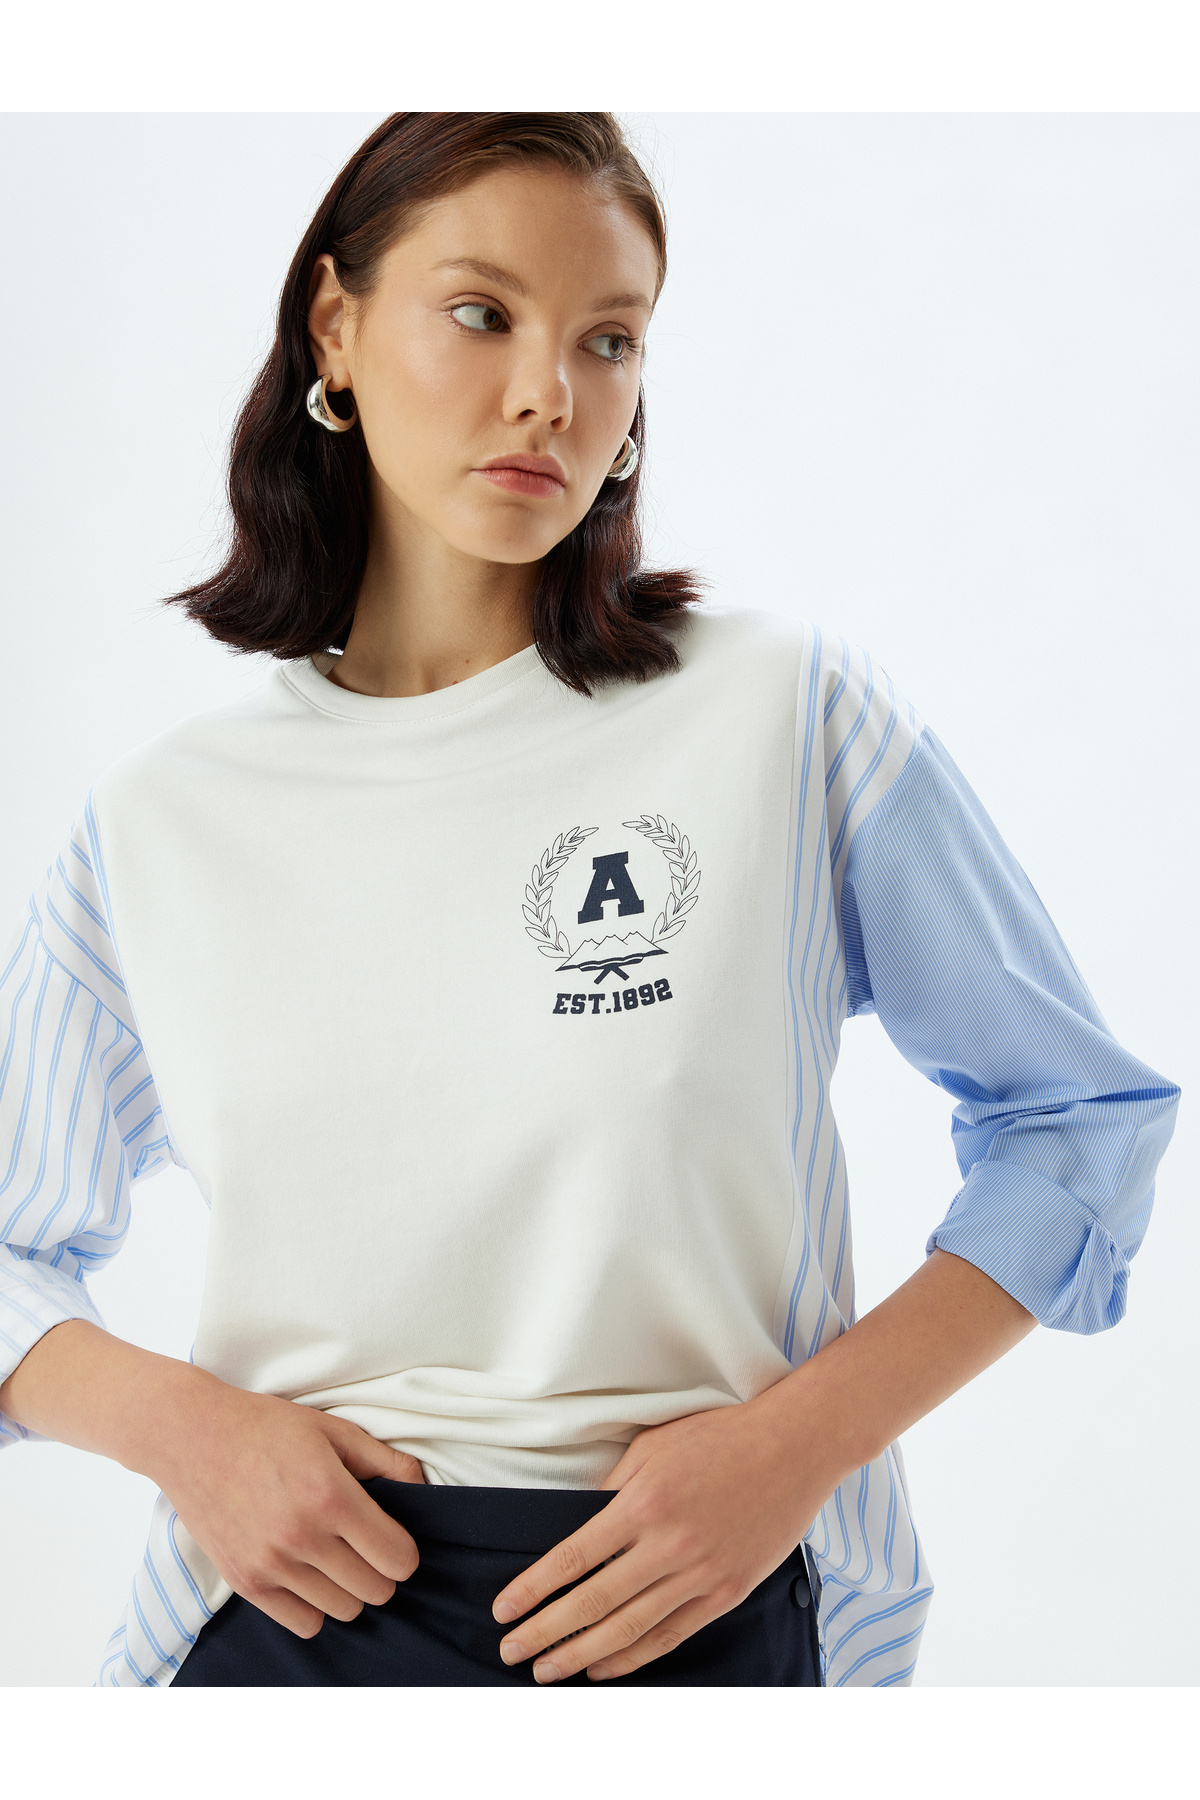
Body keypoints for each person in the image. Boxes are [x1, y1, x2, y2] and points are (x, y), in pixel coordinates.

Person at [0, 111, 1180, 1690]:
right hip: (284, 1624)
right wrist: (186, 1431)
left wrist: (794, 1452)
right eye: (481, 313)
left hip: (696, 1602)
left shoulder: (783, 718)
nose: (550, 392)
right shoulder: (161, 822)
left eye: (608, 339)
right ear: (335, 329)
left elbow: (1078, 1121)